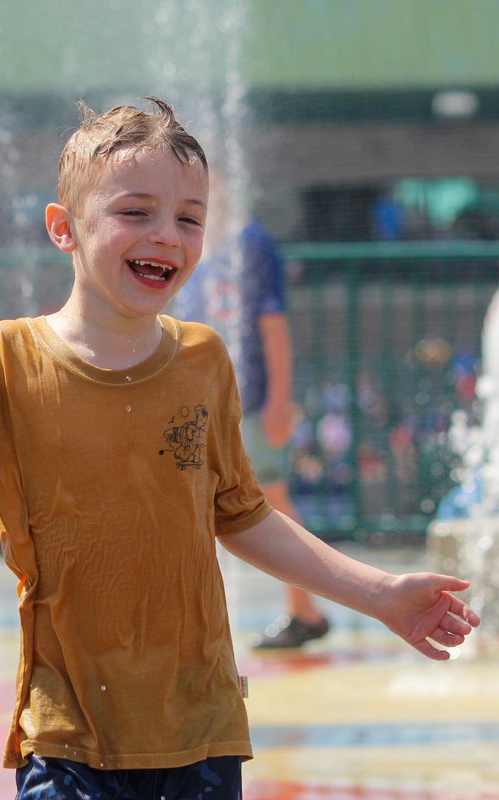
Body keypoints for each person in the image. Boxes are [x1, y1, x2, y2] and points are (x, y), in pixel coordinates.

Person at [0, 98, 480, 799]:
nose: (167, 235)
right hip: (73, 734)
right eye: (136, 213)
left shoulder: (203, 359)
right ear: (63, 228)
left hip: (202, 730)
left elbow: (243, 514)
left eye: (190, 218)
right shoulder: (7, 359)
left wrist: (377, 593)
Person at [180, 168, 331, 650]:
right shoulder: (204, 248)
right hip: (212, 402)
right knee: (227, 501)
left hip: (251, 402)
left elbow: (272, 325)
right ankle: (300, 610)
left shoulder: (252, 243)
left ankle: (305, 609)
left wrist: (280, 401)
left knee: (269, 500)